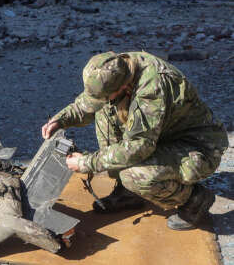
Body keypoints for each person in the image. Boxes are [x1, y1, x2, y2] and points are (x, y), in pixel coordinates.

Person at [41, 51, 228, 230]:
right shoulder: (117, 69)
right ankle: (128, 193)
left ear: (123, 87)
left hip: (196, 147)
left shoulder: (152, 90)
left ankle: (194, 199)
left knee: (135, 175)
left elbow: (139, 147)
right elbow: (91, 102)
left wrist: (86, 162)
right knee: (105, 111)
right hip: (161, 137)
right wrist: (61, 120)